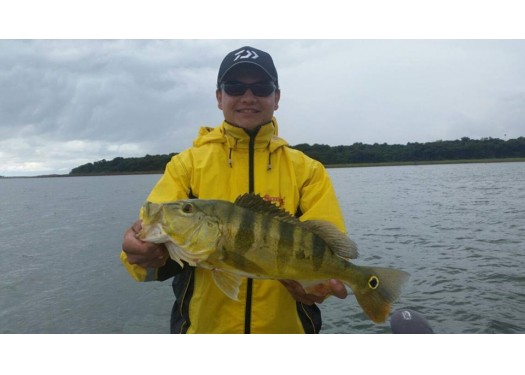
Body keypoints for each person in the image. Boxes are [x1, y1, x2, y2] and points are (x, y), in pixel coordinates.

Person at [120, 46, 348, 333]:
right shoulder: (186, 167)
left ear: (276, 98)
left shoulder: (308, 172)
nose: (248, 97)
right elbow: (144, 256)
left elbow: (327, 250)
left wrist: (320, 286)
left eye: (262, 88)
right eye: (235, 87)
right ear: (219, 97)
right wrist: (139, 255)